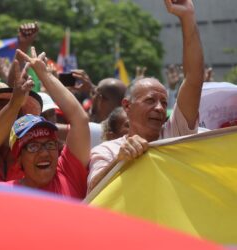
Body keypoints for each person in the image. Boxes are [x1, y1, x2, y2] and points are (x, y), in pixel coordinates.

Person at [87, 0, 205, 193]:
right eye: (150, 100)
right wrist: (120, 161)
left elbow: (193, 78)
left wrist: (188, 17)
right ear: (127, 106)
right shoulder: (107, 151)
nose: (159, 108)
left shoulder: (175, 135)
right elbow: (93, 191)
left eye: (164, 102)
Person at [0, 47, 90, 199]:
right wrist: (13, 104)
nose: (44, 152)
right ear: (18, 159)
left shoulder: (68, 174)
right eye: (33, 146)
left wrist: (45, 75)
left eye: (50, 144)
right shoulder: (3, 193)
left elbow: (80, 120)